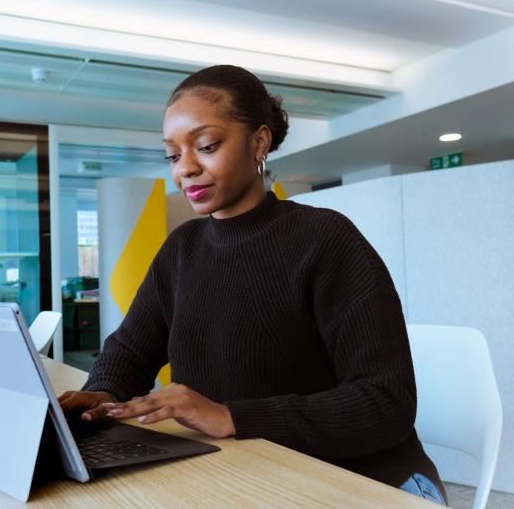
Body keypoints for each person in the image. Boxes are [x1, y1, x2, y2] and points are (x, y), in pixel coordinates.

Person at [58, 64, 447, 505]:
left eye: (206, 146)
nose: (185, 169)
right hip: (254, 471)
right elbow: (132, 349)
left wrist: (231, 416)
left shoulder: (325, 239)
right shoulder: (182, 249)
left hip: (371, 480)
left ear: (259, 142)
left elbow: (386, 402)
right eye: (172, 155)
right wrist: (101, 392)